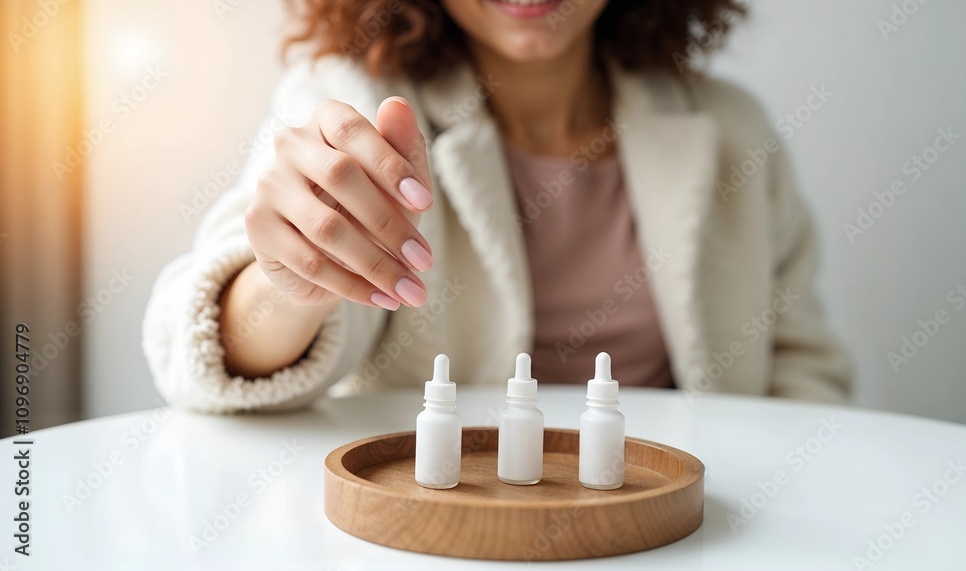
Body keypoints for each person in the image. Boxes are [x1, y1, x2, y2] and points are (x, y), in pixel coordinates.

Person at [143, 0, 851, 412]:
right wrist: (289, 283)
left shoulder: (731, 128)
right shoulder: (357, 103)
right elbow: (192, 354)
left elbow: (802, 375)